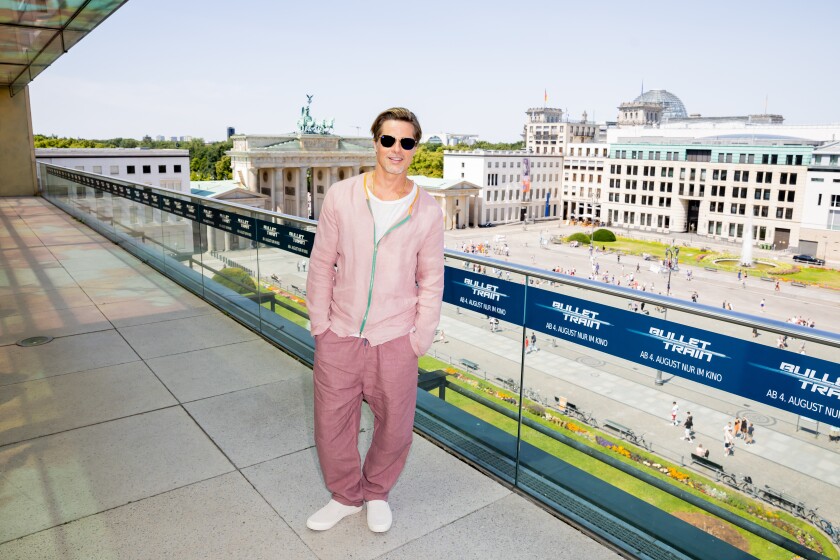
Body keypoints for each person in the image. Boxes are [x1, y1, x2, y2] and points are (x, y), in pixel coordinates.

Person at [305, 108, 445, 533]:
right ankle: (346, 496)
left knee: (396, 427)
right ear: (375, 143)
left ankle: (378, 491)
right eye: (389, 140)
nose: (396, 150)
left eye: (406, 142)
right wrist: (320, 326)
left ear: (415, 149)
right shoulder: (342, 196)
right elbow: (321, 263)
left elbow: (432, 279)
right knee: (331, 423)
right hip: (341, 332)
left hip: (396, 336)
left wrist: (418, 339)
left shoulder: (427, 210)